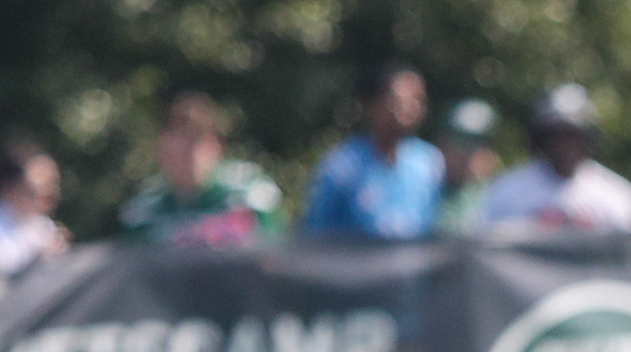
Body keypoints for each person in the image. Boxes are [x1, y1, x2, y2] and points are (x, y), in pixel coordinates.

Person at [470, 85, 631, 234]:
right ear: (540, 140)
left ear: (588, 140)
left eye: (572, 136)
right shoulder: (507, 192)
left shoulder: (618, 197)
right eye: (555, 136)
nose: (564, 146)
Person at [116, 95, 284, 247]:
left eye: (195, 141)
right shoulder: (144, 210)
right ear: (162, 149)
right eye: (178, 142)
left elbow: (272, 257)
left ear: (216, 145)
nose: (188, 153)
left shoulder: (246, 193)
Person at [303, 66, 445, 238]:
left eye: (417, 100)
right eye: (398, 101)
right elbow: (316, 233)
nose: (410, 109)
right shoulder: (342, 166)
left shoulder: (428, 162)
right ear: (372, 105)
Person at [0, 142, 71, 280]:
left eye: (52, 186)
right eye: (34, 190)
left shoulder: (43, 226)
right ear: (9, 189)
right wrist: (38, 261)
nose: (48, 194)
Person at [440, 99, 505, 233]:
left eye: (477, 143)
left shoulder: (503, 197)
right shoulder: (426, 192)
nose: (466, 154)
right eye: (459, 141)